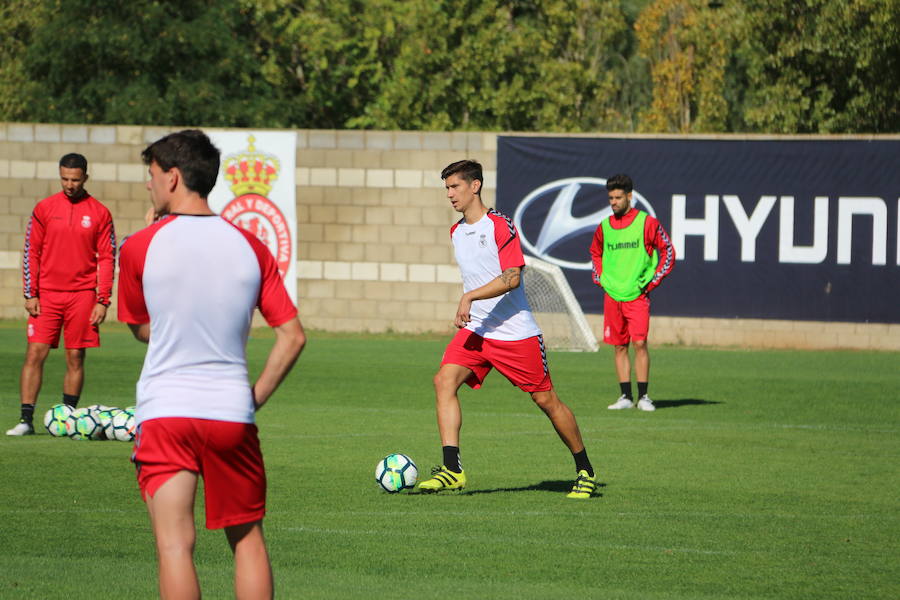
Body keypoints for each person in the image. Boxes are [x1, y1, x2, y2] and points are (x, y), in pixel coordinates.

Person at [117, 130, 306, 600]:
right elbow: (292, 336)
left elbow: (143, 329)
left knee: (175, 545)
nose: (149, 186)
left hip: (165, 412)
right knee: (246, 542)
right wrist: (252, 398)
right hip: (229, 413)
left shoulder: (139, 247)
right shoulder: (251, 247)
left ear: (174, 178)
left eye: (153, 176)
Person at [418, 159, 597, 499]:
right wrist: (472, 305)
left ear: (475, 186)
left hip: (515, 333)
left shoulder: (500, 226)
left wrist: (470, 296)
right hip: (478, 331)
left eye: (455, 186)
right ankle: (452, 469)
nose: (450, 194)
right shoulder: (456, 232)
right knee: (443, 380)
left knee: (546, 400)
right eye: (446, 188)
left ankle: (585, 469)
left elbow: (513, 278)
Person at [7, 153, 116, 436]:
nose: (69, 185)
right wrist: (31, 293)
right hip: (47, 295)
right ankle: (25, 420)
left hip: (82, 295)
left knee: (75, 356)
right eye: (65, 179)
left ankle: (68, 418)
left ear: (85, 178)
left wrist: (102, 299)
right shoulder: (44, 208)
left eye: (75, 179)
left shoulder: (100, 213)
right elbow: (31, 250)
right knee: (35, 353)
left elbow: (107, 257)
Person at [589, 174, 674, 412]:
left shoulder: (647, 223)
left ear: (629, 196)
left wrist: (650, 282)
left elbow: (667, 251)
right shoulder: (604, 226)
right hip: (612, 295)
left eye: (618, 197)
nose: (613, 202)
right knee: (619, 346)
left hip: (637, 295)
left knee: (640, 343)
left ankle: (644, 396)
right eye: (610, 198)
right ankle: (625, 396)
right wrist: (601, 279)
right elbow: (595, 253)